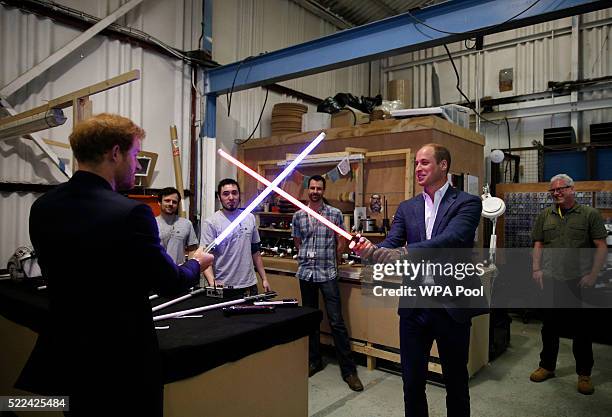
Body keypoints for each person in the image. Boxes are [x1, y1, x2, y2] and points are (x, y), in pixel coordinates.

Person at [19, 113, 213, 416]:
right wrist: (196, 264)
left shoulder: (43, 206)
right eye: (135, 155)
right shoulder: (131, 214)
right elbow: (169, 281)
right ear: (115, 153)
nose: (136, 166)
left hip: (69, 353)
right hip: (121, 359)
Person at [352, 143, 486, 417]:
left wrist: (402, 252)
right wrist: (370, 250)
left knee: (456, 382)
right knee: (412, 382)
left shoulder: (468, 203)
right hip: (415, 308)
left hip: (451, 307)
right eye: (416, 164)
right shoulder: (408, 207)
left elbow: (451, 239)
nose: (418, 168)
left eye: (425, 163)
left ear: (443, 165)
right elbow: (391, 243)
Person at [529, 173, 607, 395]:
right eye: (553, 190)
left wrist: (593, 274)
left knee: (582, 330)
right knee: (550, 328)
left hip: (579, 280)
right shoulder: (546, 215)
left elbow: (601, 246)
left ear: (572, 189)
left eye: (561, 189)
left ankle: (584, 374)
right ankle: (547, 366)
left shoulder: (589, 214)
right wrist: (536, 268)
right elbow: (538, 244)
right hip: (552, 279)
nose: (556, 193)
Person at [292, 175, 364, 392]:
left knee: (336, 321)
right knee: (310, 319)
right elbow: (297, 241)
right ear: (307, 190)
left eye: (319, 188)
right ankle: (314, 360)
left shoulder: (334, 214)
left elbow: (341, 240)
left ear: (324, 190)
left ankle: (349, 371)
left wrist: (335, 255)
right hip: (306, 274)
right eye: (312, 187)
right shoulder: (298, 215)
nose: (315, 191)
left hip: (328, 273)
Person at [200, 178, 270, 296]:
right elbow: (205, 258)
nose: (231, 197)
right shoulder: (211, 222)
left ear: (239, 195)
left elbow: (255, 252)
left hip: (249, 285)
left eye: (234, 193)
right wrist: (212, 283)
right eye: (226, 194)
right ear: (219, 197)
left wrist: (264, 278)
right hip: (223, 286)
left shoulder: (249, 218)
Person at [156, 187, 198, 264]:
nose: (171, 204)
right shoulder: (151, 223)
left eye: (174, 202)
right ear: (159, 202)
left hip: (178, 272)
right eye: (167, 201)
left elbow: (192, 250)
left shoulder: (186, 224)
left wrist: (189, 268)